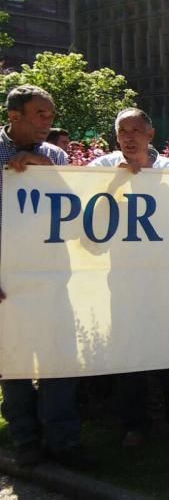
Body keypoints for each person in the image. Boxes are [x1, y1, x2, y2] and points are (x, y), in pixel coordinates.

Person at [88, 109, 169, 447]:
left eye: (136, 130)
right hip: (125, 279)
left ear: (151, 134)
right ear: (116, 137)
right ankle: (135, 424)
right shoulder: (101, 168)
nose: (129, 137)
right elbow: (87, 218)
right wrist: (115, 183)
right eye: (123, 131)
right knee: (130, 354)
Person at [0, 86, 94, 469]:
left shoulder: (55, 155)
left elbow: (76, 209)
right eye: (40, 114)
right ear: (14, 116)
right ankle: (26, 439)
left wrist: (49, 173)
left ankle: (63, 441)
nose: (48, 122)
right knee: (15, 361)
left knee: (59, 360)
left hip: (54, 275)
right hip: (7, 281)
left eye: (50, 115)